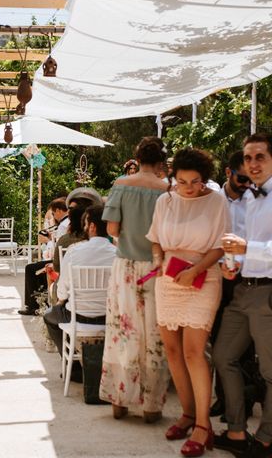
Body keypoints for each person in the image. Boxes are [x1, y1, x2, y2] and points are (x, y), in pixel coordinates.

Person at [147, 148, 230, 457]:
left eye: (195, 182)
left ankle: (203, 426)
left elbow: (221, 245)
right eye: (182, 181)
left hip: (203, 276)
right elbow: (155, 238)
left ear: (204, 179)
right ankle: (187, 413)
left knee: (194, 352)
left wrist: (196, 269)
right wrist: (157, 259)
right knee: (172, 350)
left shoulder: (217, 201)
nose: (188, 188)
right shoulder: (164, 200)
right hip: (168, 277)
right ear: (173, 177)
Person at [99, 137, 171, 423]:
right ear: (160, 162)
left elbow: (112, 228)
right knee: (154, 333)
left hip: (125, 266)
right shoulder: (168, 191)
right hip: (157, 267)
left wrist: (127, 237)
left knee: (122, 330)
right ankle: (152, 405)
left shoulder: (121, 185)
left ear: (137, 157)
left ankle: (120, 399)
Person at [214, 132, 272, 458]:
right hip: (243, 289)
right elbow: (242, 244)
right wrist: (231, 263)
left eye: (260, 157)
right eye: (248, 158)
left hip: (268, 294)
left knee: (271, 372)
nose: (252, 164)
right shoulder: (251, 197)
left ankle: (265, 439)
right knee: (223, 356)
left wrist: (247, 248)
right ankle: (236, 432)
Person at [209, 150, 253, 419]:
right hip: (217, 276)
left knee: (244, 345)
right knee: (217, 338)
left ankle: (243, 403)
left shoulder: (254, 200)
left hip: (246, 276)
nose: (247, 184)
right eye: (242, 178)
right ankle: (222, 399)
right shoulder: (213, 200)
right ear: (228, 173)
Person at [49, 205, 116, 342]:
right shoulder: (117, 254)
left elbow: (62, 291)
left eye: (85, 224)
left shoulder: (74, 251)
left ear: (92, 226)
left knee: (49, 316)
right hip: (109, 317)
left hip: (77, 316)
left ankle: (71, 362)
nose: (84, 228)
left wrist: (61, 301)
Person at [19, 197, 68, 316]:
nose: (53, 216)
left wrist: (48, 241)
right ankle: (41, 301)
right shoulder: (68, 222)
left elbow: (58, 248)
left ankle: (32, 306)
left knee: (30, 268)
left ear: (58, 211)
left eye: (53, 213)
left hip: (62, 261)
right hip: (66, 259)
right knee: (36, 267)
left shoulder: (63, 225)